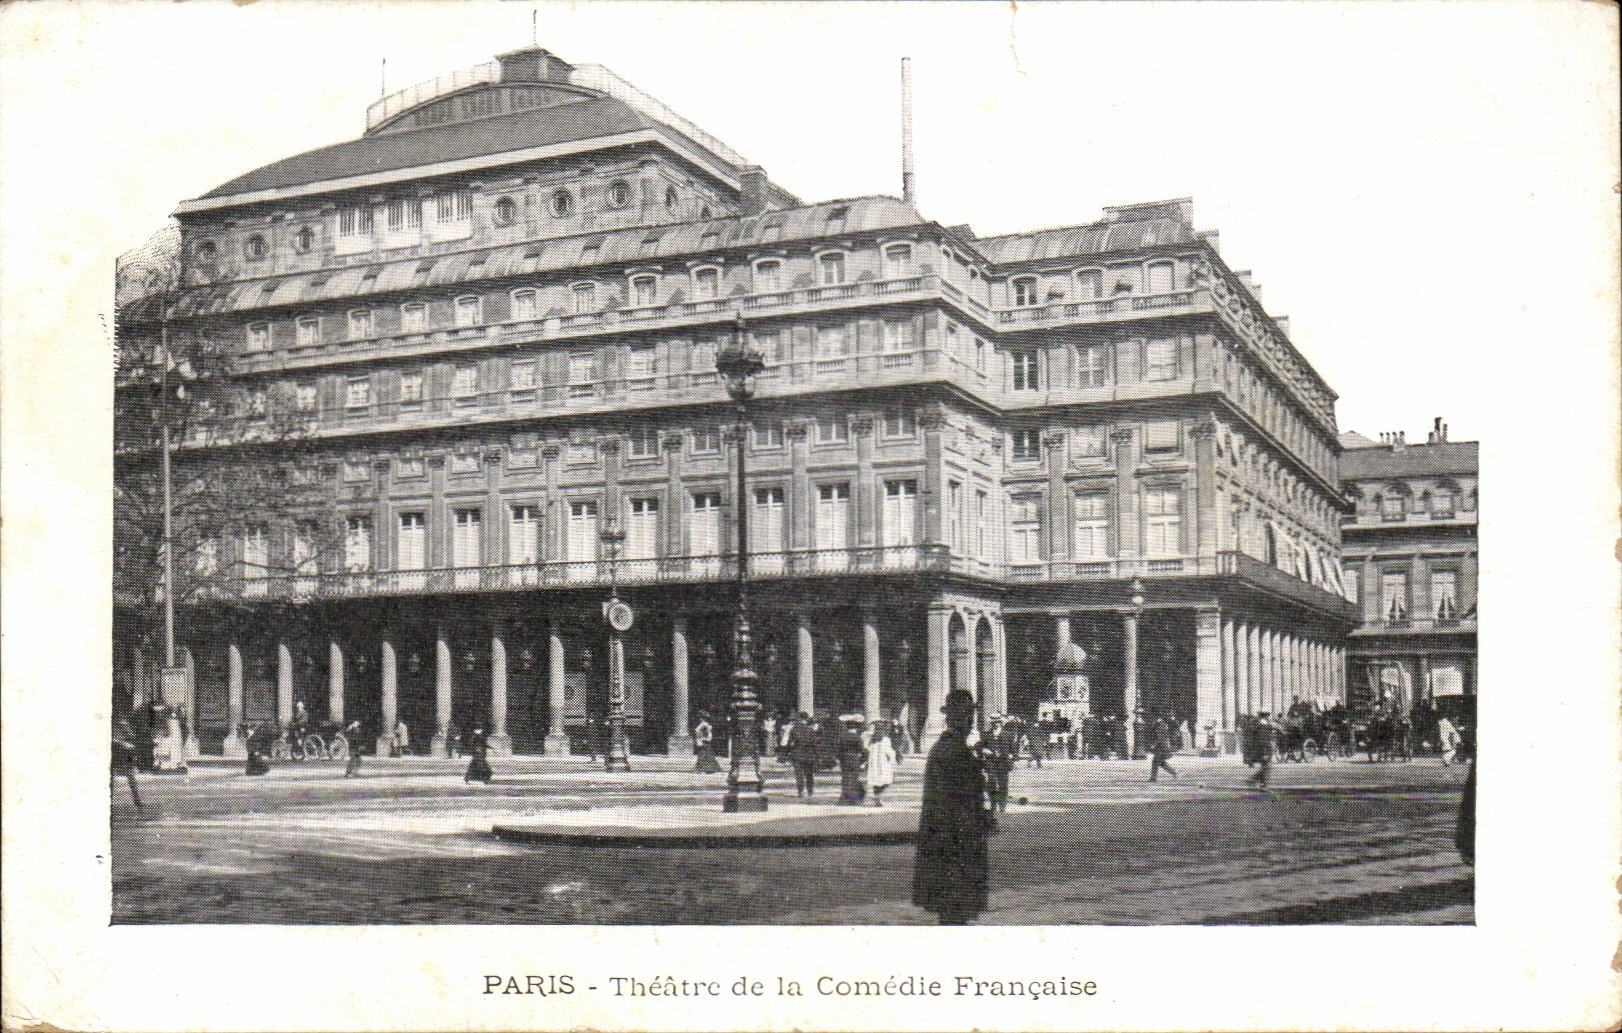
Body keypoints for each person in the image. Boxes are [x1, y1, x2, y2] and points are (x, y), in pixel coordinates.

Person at [912, 689, 996, 925]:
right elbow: (958, 800)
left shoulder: (949, 748)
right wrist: (981, 818)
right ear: (961, 719)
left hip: (949, 838)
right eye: (968, 717)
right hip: (956, 842)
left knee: (951, 911)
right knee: (955, 910)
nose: (970, 723)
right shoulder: (954, 751)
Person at [111, 719, 143, 811]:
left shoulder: (122, 724)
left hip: (122, 754)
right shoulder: (119, 724)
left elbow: (131, 736)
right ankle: (137, 801)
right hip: (118, 753)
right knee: (130, 778)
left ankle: (137, 800)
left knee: (130, 777)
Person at [837, 718, 867, 804]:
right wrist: (861, 761)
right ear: (855, 728)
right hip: (855, 760)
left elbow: (839, 750)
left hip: (845, 760)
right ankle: (853, 799)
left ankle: (844, 798)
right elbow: (863, 751)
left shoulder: (842, 737)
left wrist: (841, 759)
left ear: (847, 727)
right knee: (854, 779)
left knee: (845, 779)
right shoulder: (857, 738)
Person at [866, 723, 897, 806]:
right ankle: (878, 799)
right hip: (882, 763)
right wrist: (893, 755)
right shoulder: (885, 740)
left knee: (876, 782)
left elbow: (867, 749)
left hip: (873, 764)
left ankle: (877, 799)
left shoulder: (872, 739)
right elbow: (889, 752)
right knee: (885, 781)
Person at [787, 712, 817, 797]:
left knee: (799, 774)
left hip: (797, 754)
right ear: (807, 719)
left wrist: (789, 751)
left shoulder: (794, 729)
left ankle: (801, 791)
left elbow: (791, 743)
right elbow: (815, 743)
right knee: (809, 774)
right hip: (809, 754)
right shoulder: (810, 730)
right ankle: (810, 791)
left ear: (799, 718)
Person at [1247, 711, 1278, 787]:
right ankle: (1258, 781)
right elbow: (1263, 738)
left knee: (1265, 766)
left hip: (1262, 747)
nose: (1268, 717)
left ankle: (1257, 781)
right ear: (1265, 716)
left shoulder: (1259, 725)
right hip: (1264, 748)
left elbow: (1254, 737)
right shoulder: (1264, 725)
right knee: (1266, 766)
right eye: (1267, 716)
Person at [1148, 714, 1178, 782]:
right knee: (1160, 762)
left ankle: (1153, 778)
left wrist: (1154, 744)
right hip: (1161, 746)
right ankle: (1173, 772)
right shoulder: (1159, 724)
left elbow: (1160, 737)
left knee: (1156, 761)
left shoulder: (1161, 725)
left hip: (1162, 746)